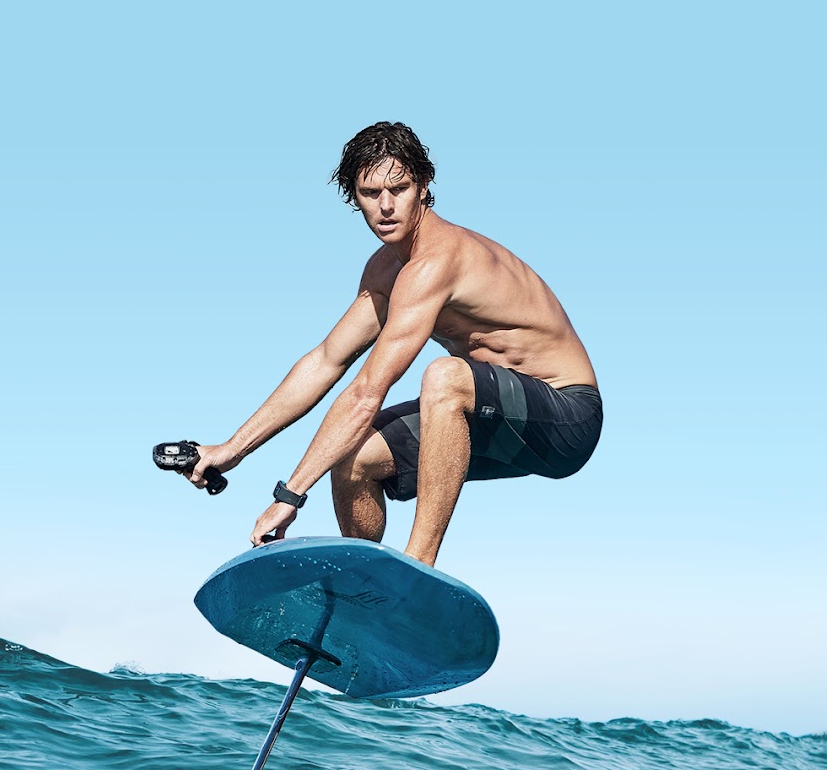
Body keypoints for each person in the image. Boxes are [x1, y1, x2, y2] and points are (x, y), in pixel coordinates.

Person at [185, 122, 602, 567]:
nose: (385, 206)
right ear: (354, 197)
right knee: (348, 456)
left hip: (567, 419)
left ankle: (418, 567)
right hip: (491, 417)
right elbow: (326, 361)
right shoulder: (386, 270)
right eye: (370, 193)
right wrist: (231, 449)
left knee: (443, 378)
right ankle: (370, 586)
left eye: (398, 189)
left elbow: (367, 392)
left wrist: (291, 494)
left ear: (423, 187)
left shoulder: (437, 261)